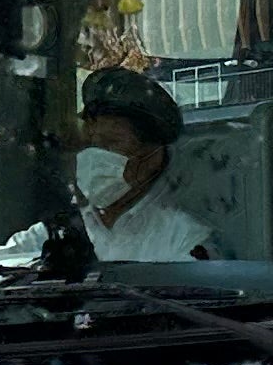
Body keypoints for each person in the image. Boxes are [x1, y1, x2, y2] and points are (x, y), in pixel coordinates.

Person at [73, 67, 214, 263]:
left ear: (152, 159)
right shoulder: (59, 230)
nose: (94, 155)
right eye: (89, 143)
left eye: (111, 143)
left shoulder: (182, 239)